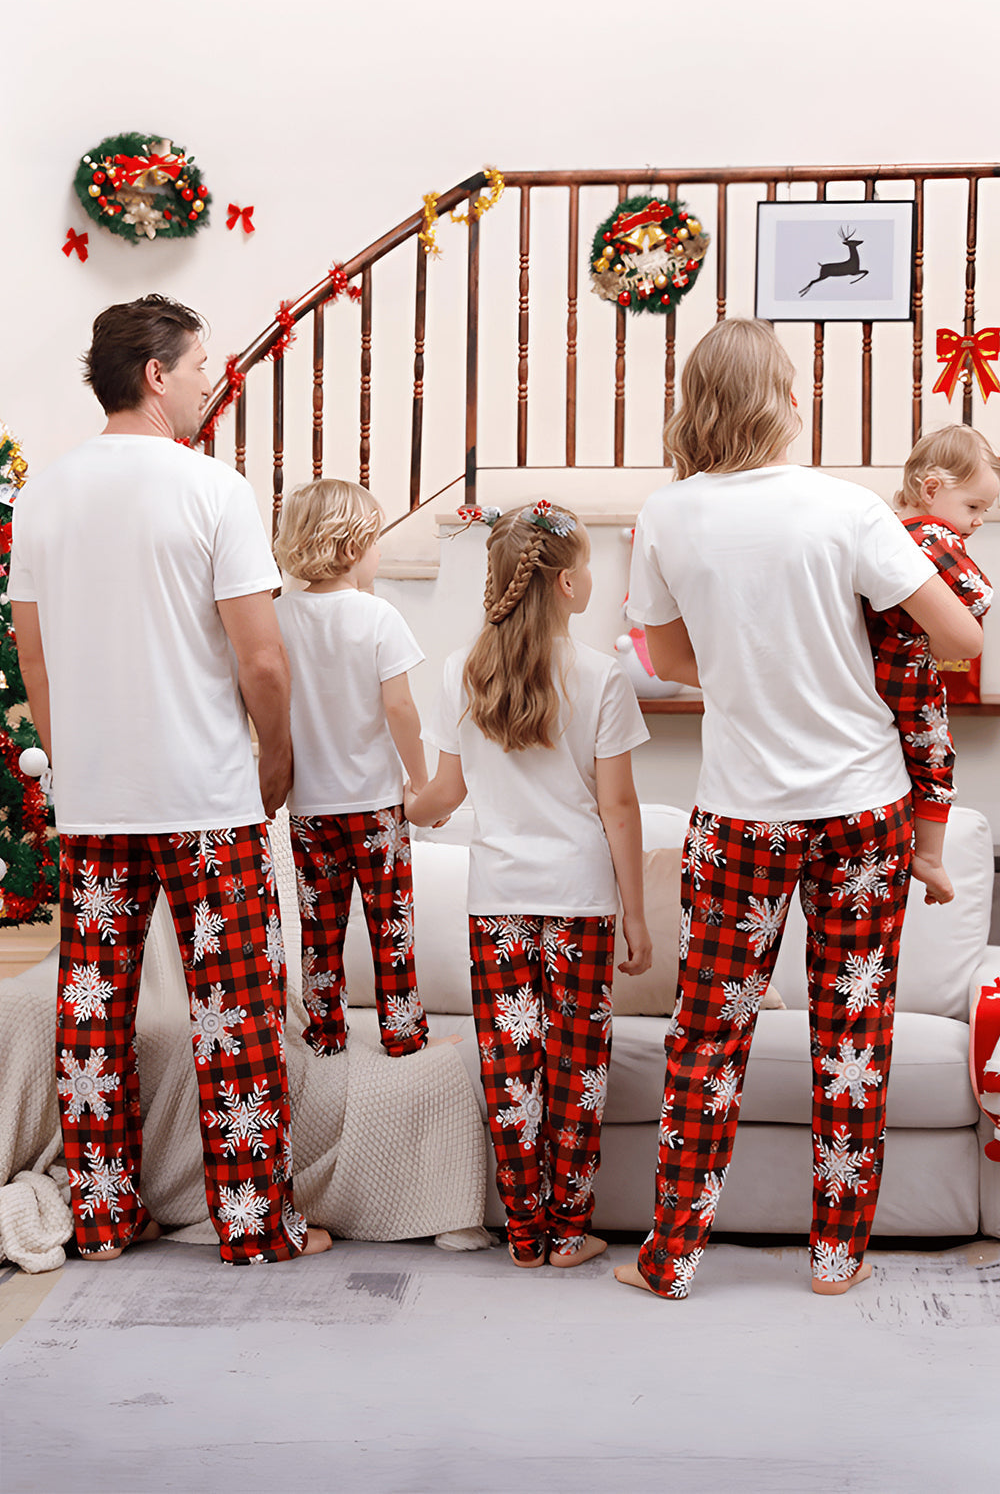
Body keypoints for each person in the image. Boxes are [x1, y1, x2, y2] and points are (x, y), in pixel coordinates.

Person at [615, 318, 983, 1299]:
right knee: (851, 1030)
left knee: (707, 1034)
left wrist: (755, 665)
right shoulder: (847, 508)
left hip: (739, 814)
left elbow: (670, 658)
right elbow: (957, 639)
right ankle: (835, 1257)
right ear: (785, 399)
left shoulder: (667, 514)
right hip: (864, 808)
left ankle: (671, 1258)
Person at [9, 295, 331, 1264]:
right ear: (155, 373)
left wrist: (77, 763)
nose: (205, 383)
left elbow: (34, 659)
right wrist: (277, 755)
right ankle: (254, 1227)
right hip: (206, 801)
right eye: (197, 367)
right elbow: (261, 658)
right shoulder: (212, 488)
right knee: (234, 1015)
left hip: (96, 804)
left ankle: (104, 1221)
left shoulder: (43, 496)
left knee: (93, 1013)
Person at [405, 501, 652, 1268]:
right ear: (568, 584)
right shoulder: (602, 677)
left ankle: (523, 1233)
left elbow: (443, 797)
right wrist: (636, 916)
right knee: (576, 1068)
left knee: (510, 1069)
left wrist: (398, 809)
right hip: (580, 901)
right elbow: (618, 809)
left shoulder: (461, 672)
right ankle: (569, 1231)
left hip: (497, 902)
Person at [272, 477, 435, 1058]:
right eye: (376, 540)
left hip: (309, 807)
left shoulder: (277, 618)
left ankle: (325, 1035)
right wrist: (420, 781)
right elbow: (401, 708)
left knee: (319, 929)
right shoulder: (377, 616)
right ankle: (403, 1035)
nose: (380, 551)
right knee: (391, 927)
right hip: (376, 806)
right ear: (352, 545)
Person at [864, 424, 997, 906]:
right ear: (932, 489)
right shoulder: (933, 534)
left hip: (870, 671)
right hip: (910, 673)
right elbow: (977, 596)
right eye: (974, 507)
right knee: (934, 758)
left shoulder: (885, 529)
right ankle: (929, 857)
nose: (978, 521)